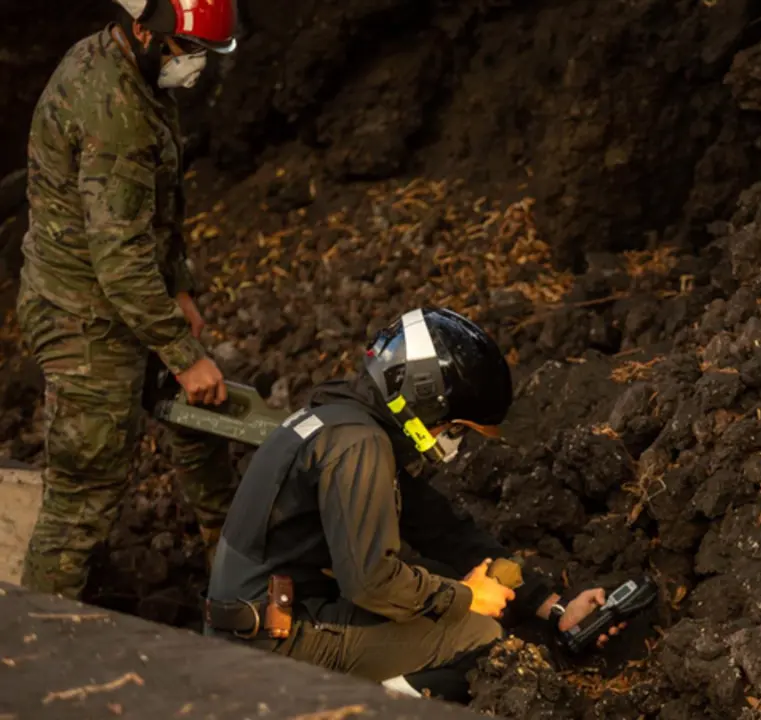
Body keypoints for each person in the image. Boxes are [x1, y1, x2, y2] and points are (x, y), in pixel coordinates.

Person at [202, 307, 624, 703]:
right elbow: (370, 583)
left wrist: (555, 608)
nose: (453, 440)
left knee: (440, 578)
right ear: (424, 396)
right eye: (456, 426)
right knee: (483, 641)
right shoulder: (358, 445)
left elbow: (443, 530)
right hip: (272, 645)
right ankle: (362, 709)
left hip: (262, 620)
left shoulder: (342, 419)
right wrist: (464, 598)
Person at [17, 0, 241, 598]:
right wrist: (181, 351)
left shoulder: (136, 75)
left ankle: (236, 570)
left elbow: (157, 209)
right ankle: (40, 642)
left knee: (201, 422)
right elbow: (119, 257)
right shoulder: (111, 109)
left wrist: (182, 288)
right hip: (82, 316)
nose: (194, 67)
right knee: (84, 491)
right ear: (142, 29)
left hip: (125, 296)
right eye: (186, 51)